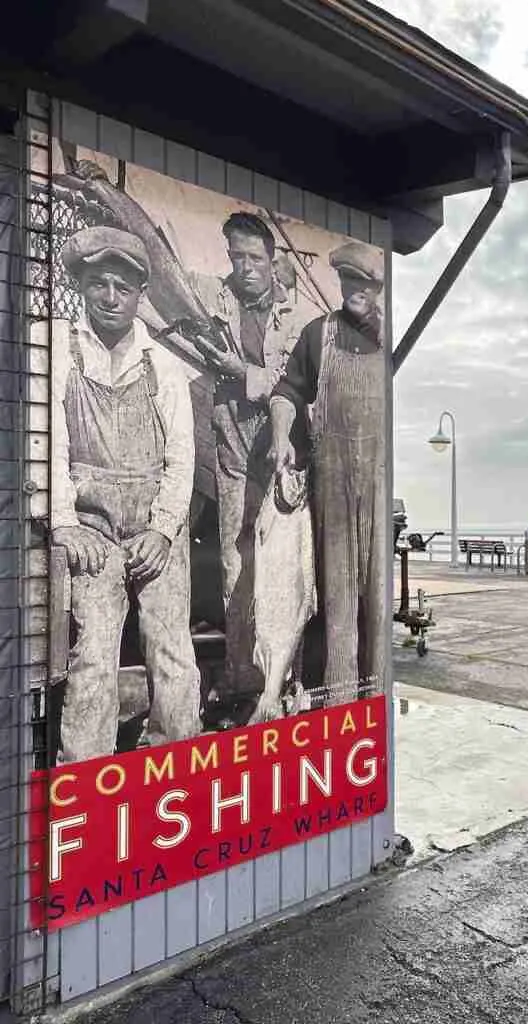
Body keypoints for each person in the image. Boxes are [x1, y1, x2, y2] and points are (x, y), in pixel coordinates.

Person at [51, 226, 201, 762]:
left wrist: (162, 531)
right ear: (81, 285)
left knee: (172, 650)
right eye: (98, 284)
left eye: (122, 286)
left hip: (155, 526)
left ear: (140, 294)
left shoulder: (164, 365)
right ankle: (84, 775)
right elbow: (47, 443)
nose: (110, 298)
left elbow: (181, 459)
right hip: (91, 527)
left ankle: (178, 762)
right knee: (92, 656)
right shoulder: (57, 350)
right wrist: (64, 520)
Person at [269, 241, 386, 706]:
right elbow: (285, 393)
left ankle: (376, 699)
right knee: (334, 602)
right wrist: (281, 438)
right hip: (332, 489)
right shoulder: (319, 334)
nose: (357, 290)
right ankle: (337, 704)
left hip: (378, 488)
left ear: (379, 288)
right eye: (349, 281)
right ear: (340, 283)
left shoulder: (391, 339)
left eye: (367, 283)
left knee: (378, 603)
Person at [191, 213, 297, 720]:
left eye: (255, 258)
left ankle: (283, 677)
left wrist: (243, 372)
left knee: (282, 568)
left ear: (272, 260)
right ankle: (239, 678)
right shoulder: (215, 300)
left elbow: (289, 382)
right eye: (237, 257)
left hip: (280, 454)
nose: (246, 267)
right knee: (236, 563)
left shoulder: (293, 315)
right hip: (232, 446)